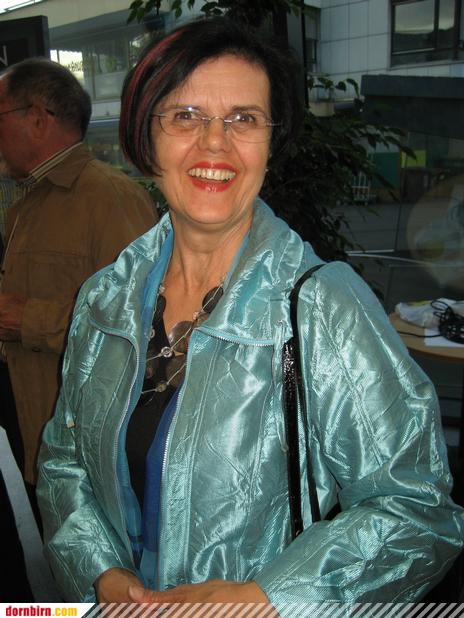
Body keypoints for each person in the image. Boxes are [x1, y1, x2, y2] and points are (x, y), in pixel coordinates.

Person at [37, 18, 464, 607]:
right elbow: (64, 461)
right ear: (146, 139)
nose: (215, 143)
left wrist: (268, 597)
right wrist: (102, 576)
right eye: (185, 116)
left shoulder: (322, 308)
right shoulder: (104, 299)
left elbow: (417, 508)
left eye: (244, 119)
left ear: (270, 143)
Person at [0, 58, 157, 494]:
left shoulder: (110, 197)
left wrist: (25, 319)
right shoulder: (27, 202)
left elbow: (142, 324)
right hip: (34, 426)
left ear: (36, 118)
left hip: (84, 451)